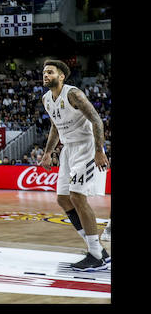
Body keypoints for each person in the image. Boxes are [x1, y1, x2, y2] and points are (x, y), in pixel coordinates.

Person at [39, 60, 110, 270]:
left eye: (50, 72)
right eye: (44, 72)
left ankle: (96, 255)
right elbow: (55, 125)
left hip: (86, 147)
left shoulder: (73, 94)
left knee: (77, 197)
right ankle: (96, 250)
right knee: (63, 199)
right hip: (68, 149)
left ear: (61, 76)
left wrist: (98, 150)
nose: (45, 75)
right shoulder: (46, 99)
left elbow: (97, 120)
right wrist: (47, 152)